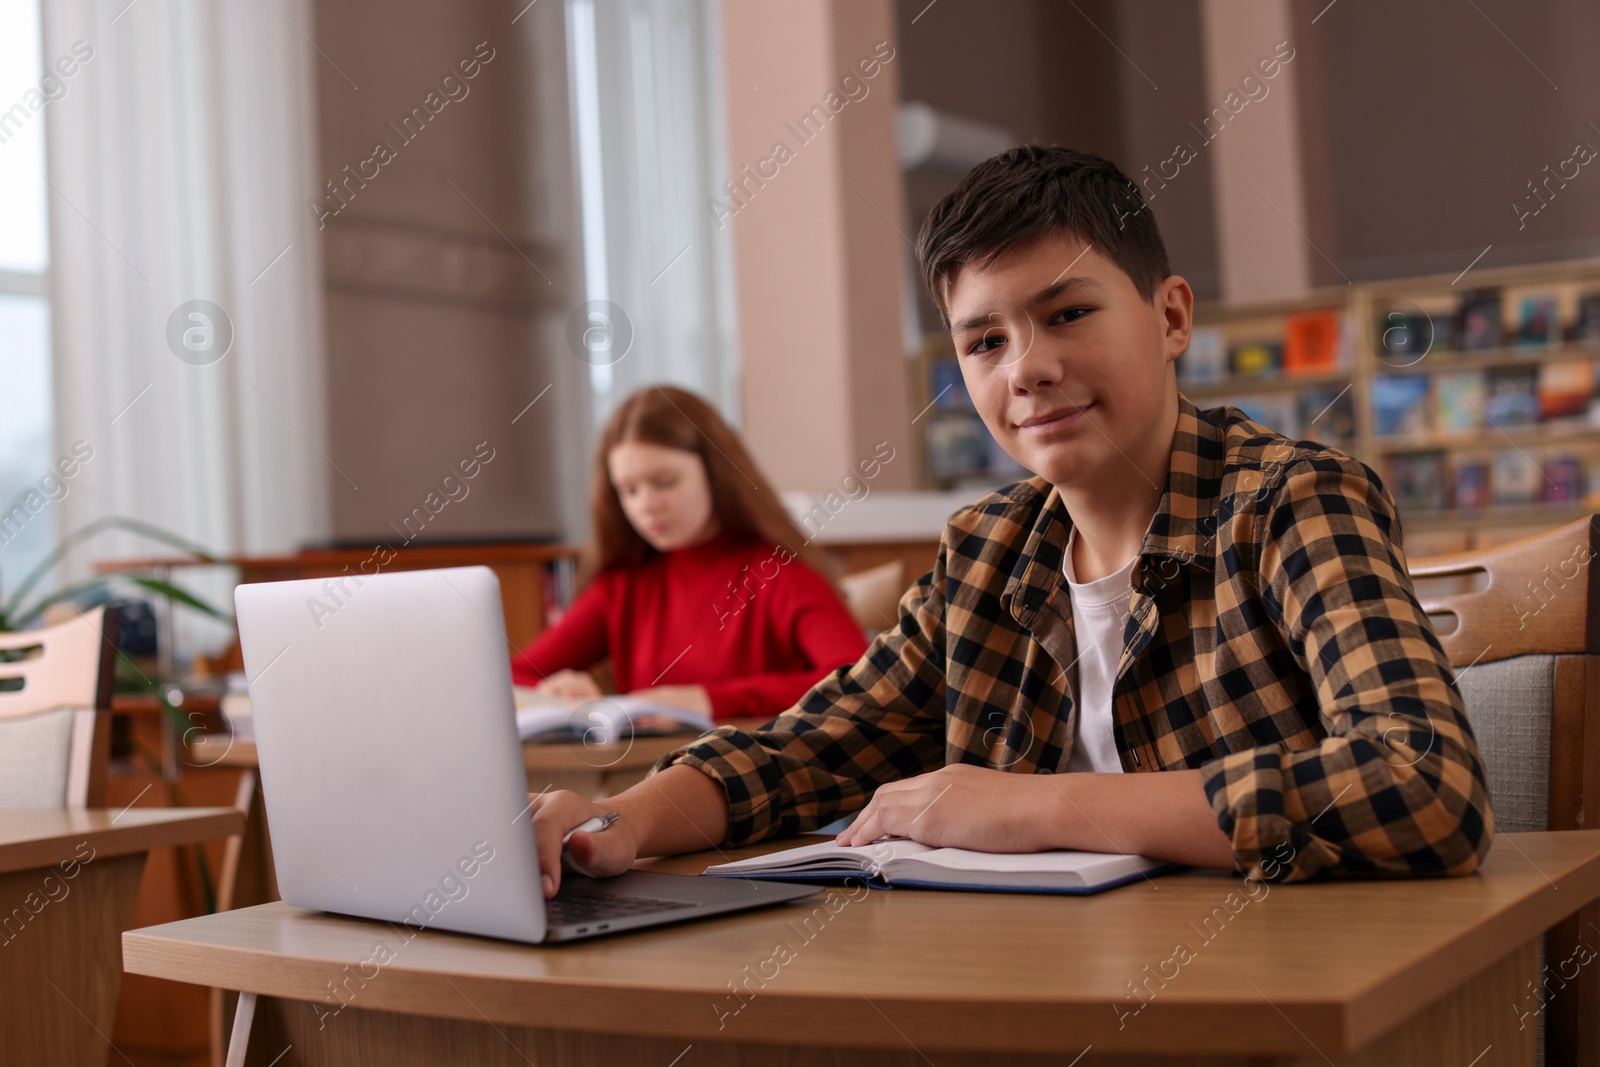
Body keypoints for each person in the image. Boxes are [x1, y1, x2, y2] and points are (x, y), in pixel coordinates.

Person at [529, 146, 1494, 900]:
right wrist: (621, 817)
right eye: (983, 341)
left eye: (1067, 313)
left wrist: (1036, 805)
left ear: (1170, 317)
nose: (1023, 368)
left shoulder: (1293, 502)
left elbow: (1427, 787)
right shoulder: (986, 551)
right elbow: (809, 747)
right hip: (1030, 984)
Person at [511, 385, 868, 722]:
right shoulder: (622, 585)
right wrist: (558, 696)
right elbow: (515, 674)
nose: (646, 505)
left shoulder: (779, 573)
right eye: (629, 491)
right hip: (649, 779)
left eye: (664, 482)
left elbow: (858, 680)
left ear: (716, 474)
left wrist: (708, 700)